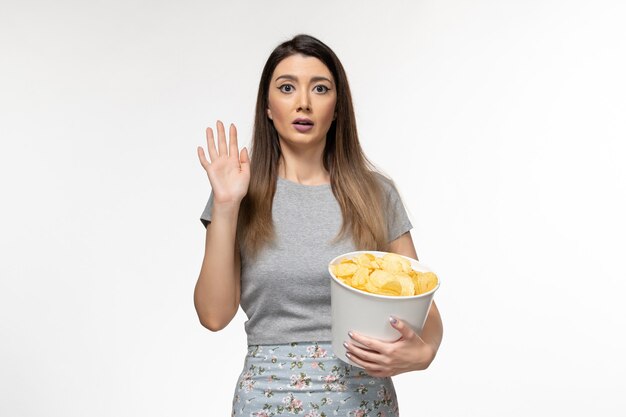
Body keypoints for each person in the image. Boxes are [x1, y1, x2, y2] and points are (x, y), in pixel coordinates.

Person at [194, 34, 443, 416]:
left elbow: (425, 312)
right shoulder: (237, 192)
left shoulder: (375, 193)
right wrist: (227, 206)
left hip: (363, 403)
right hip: (266, 401)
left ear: (338, 107)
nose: (303, 103)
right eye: (287, 87)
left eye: (321, 88)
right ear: (267, 106)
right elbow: (213, 315)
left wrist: (421, 354)